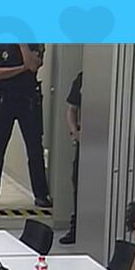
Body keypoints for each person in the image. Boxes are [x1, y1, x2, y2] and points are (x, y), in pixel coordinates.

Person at [0, 43, 52, 210]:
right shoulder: (1, 43)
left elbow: (33, 65)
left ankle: (41, 195)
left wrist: (22, 45)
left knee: (35, 149)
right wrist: (21, 68)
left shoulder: (35, 42)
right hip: (5, 101)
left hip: (28, 102)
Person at [59, 71, 82, 245]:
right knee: (78, 183)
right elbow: (72, 109)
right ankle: (76, 228)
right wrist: (75, 132)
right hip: (84, 140)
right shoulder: (82, 78)